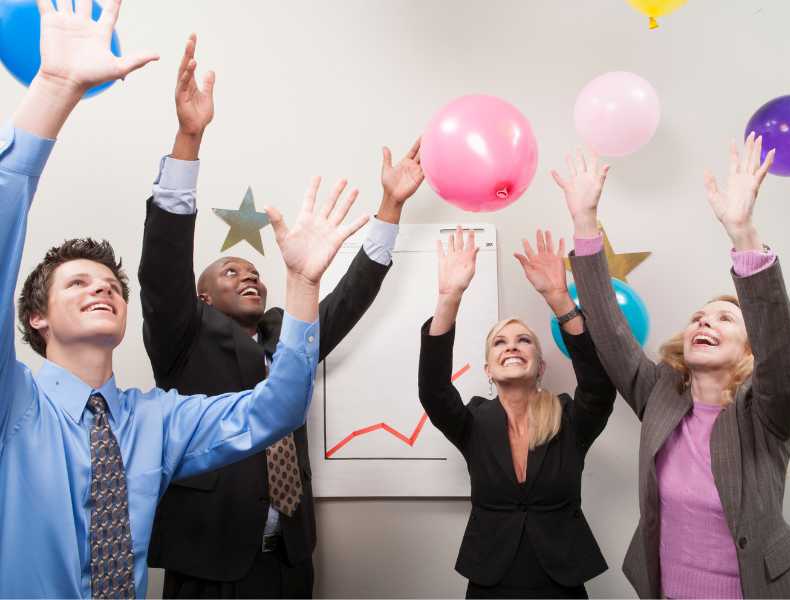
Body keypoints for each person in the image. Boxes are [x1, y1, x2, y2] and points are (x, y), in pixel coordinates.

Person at [0, 2, 365, 597]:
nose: (102, 289)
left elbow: (276, 409)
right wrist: (55, 90)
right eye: (78, 283)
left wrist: (302, 283)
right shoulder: (11, 402)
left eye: (112, 286)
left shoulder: (158, 420)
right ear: (36, 316)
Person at [139, 35, 426, 598]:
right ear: (200, 298)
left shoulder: (286, 334)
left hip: (290, 562)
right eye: (229, 272)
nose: (248, 276)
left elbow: (346, 300)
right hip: (209, 562)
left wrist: (389, 208)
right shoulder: (184, 338)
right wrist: (189, 139)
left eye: (254, 270)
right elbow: (162, 267)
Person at [561, 138, 790, 598]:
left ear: (748, 350)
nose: (705, 321)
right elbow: (610, 333)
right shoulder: (660, 394)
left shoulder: (767, 412)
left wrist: (743, 234)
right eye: (699, 317)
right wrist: (584, 221)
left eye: (724, 318)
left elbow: (780, 355)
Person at [418, 227, 616, 598]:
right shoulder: (474, 423)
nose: (513, 347)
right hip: (491, 579)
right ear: (489, 370)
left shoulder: (569, 418)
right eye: (500, 343)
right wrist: (449, 298)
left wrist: (559, 300)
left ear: (540, 367)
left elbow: (600, 387)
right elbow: (433, 391)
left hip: (562, 580)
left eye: (524, 340)